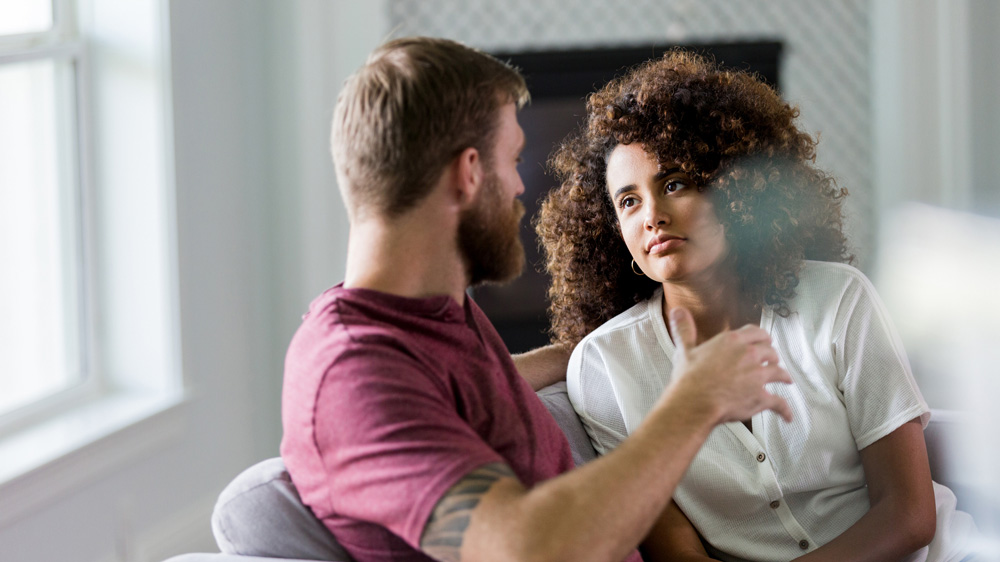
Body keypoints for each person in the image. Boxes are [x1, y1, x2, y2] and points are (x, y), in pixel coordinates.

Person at [280, 37, 795, 562]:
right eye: (516, 161)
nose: (521, 191)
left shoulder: (431, 315)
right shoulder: (351, 372)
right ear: (470, 172)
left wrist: (587, 351)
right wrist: (693, 405)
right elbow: (523, 548)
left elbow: (459, 391)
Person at [537, 50, 979, 562]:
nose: (653, 216)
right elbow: (679, 554)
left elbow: (910, 516)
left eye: (675, 183)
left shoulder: (838, 300)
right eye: (629, 201)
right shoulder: (604, 369)